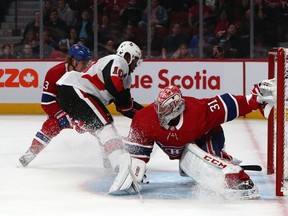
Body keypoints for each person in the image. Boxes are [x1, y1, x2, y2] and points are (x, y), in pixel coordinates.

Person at [109, 79, 276, 199]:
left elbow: (230, 104)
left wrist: (255, 98)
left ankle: (224, 164)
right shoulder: (144, 119)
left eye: (165, 110)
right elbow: (138, 154)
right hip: (182, 149)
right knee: (188, 160)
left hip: (207, 137)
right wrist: (134, 172)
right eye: (159, 108)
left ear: (178, 109)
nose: (160, 113)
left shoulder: (198, 111)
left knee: (204, 169)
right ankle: (212, 161)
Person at [55, 41, 143, 172]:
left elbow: (124, 107)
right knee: (105, 125)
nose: (136, 65)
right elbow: (113, 85)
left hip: (72, 92)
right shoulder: (118, 61)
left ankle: (110, 162)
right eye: (136, 61)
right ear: (128, 56)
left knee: (103, 126)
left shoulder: (126, 78)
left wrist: (146, 114)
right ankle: (119, 164)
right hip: (75, 88)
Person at [19, 44, 92, 167]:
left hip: (80, 106)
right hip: (61, 107)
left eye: (87, 63)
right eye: (83, 63)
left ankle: (110, 157)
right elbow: (46, 102)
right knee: (51, 125)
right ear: (73, 61)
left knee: (97, 125)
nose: (86, 66)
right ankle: (31, 153)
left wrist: (81, 117)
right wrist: (62, 115)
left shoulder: (87, 74)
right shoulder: (54, 73)